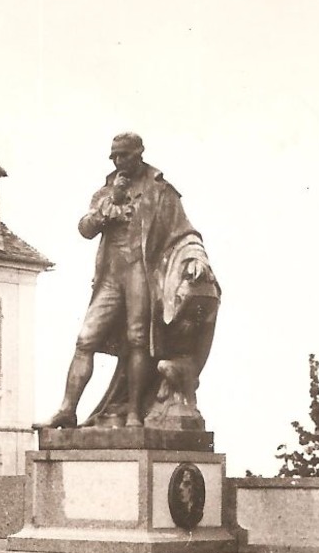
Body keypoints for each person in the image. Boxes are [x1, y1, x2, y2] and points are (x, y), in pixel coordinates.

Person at [44, 132, 220, 429]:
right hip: (111, 277)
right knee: (85, 339)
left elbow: (186, 233)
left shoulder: (161, 192)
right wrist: (108, 206)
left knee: (138, 341)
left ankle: (135, 413)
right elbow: (85, 228)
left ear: (139, 153)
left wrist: (197, 260)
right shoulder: (107, 189)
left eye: (123, 155)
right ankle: (67, 409)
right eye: (113, 156)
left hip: (140, 273)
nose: (117, 161)